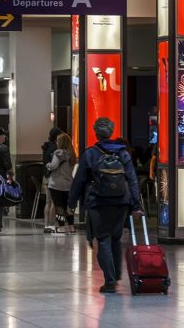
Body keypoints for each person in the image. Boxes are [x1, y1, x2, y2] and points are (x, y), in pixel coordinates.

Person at [68, 118, 143, 294]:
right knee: (115, 239)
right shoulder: (123, 154)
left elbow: (79, 181)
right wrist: (136, 205)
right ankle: (116, 275)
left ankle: (109, 280)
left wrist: (71, 204)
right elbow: (132, 180)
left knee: (103, 240)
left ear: (96, 132)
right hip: (120, 202)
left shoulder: (90, 154)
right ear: (111, 132)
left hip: (98, 202)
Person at [46, 132, 75, 234]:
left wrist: (48, 165)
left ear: (61, 142)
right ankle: (71, 226)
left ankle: (62, 226)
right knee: (68, 206)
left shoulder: (58, 153)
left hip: (57, 184)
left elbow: (53, 166)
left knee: (59, 206)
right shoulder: (72, 154)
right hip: (68, 183)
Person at [41, 127, 62, 232]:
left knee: (48, 202)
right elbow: (54, 165)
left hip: (45, 176)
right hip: (53, 177)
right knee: (53, 202)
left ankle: (46, 225)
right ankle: (51, 225)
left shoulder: (46, 147)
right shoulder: (55, 148)